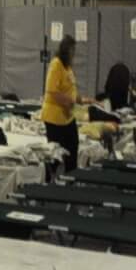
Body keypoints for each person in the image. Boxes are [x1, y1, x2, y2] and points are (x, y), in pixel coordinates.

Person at [42, 34, 83, 173]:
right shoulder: (56, 64)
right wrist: (68, 102)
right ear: (65, 50)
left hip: (68, 117)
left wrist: (82, 100)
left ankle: (71, 176)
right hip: (55, 118)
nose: (73, 53)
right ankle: (49, 177)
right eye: (72, 50)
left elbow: (71, 88)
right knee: (55, 152)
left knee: (73, 146)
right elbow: (52, 91)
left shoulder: (68, 67)